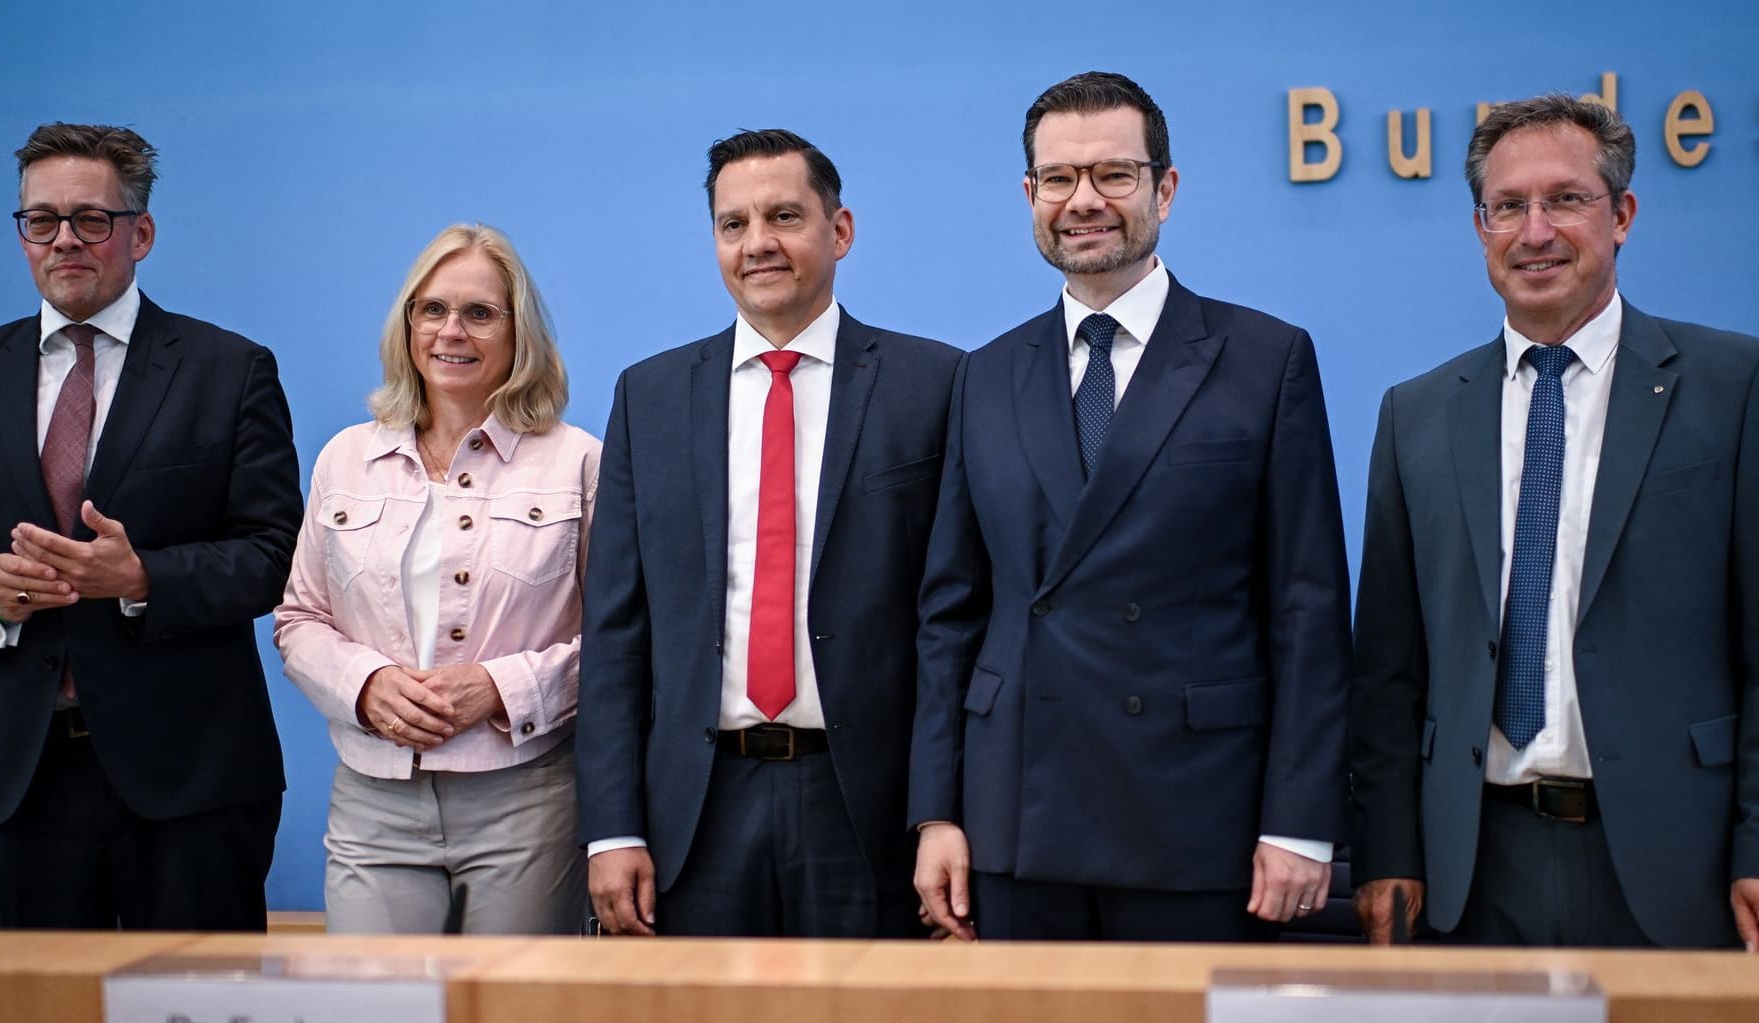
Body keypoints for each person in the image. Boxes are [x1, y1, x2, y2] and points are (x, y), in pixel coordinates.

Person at [910, 72, 1352, 942]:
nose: (1084, 201)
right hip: (1015, 816)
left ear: (1166, 188)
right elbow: (949, 615)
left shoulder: (1265, 359)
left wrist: (1298, 820)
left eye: (1113, 174)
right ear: (1029, 195)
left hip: (1197, 814)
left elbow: (1307, 610)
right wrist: (937, 812)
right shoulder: (986, 375)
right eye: (1059, 179)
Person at [1351, 94, 1759, 950]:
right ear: (1480, 227)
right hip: (1471, 873)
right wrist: (1387, 852)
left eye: (1566, 199)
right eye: (1509, 206)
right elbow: (1389, 667)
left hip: (1671, 863)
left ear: (1623, 215)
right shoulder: (1417, 414)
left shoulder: (1732, 386)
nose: (1535, 231)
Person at [579, 129, 962, 937]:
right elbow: (616, 633)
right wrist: (613, 826)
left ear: (841, 230)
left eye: (784, 216)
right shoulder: (648, 397)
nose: (758, 243)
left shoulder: (937, 385)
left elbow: (954, 624)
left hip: (870, 810)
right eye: (733, 224)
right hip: (697, 809)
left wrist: (942, 810)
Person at [0, 123, 301, 930]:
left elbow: (271, 555)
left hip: (190, 781)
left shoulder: (229, 370)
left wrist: (142, 579)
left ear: (141, 233)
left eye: (91, 220)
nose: (65, 240)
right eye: (41, 220)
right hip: (15, 779)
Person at [274, 224, 599, 934]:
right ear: (408, 324)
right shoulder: (346, 458)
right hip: (373, 800)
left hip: (528, 801)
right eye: (433, 309)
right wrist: (365, 684)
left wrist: (501, 687)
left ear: (519, 333)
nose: (452, 330)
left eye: (480, 313)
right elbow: (298, 618)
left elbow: (619, 640)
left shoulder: (578, 463)